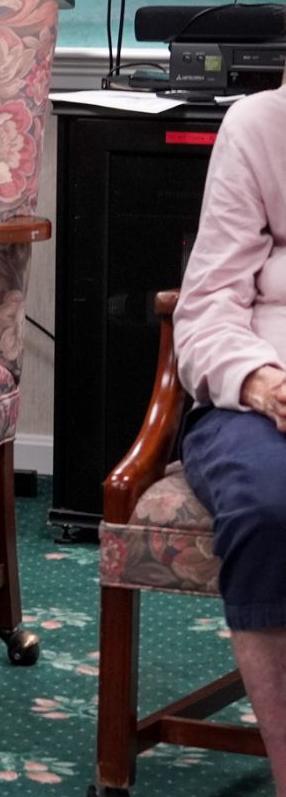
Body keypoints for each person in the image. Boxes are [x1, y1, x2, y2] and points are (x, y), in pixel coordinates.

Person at [174, 86, 286, 795]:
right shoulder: (259, 123)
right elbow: (208, 303)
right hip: (259, 392)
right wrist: (262, 382)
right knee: (270, 510)